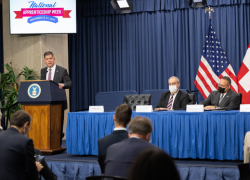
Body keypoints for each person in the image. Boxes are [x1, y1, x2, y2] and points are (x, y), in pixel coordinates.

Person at [0, 110, 43, 180]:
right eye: (29, 128)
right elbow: (32, 174)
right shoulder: (26, 141)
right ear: (25, 125)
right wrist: (37, 170)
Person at [41, 51, 72, 144]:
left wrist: (62, 85)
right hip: (46, 102)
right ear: (44, 60)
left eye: (50, 58)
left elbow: (69, 83)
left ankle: (57, 143)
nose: (49, 60)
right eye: (47, 59)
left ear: (54, 59)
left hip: (58, 102)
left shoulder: (62, 70)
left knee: (57, 124)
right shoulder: (43, 71)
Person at [98, 104, 132, 173]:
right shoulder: (134, 142)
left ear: (114, 118)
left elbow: (103, 169)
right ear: (129, 121)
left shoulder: (101, 142)